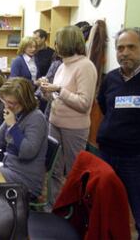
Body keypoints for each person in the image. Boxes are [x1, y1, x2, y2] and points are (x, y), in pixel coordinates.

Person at [40, 25, 97, 207]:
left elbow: (84, 103)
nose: (55, 45)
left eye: (58, 41)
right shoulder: (62, 66)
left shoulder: (85, 66)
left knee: (75, 171)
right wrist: (46, 90)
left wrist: (58, 89)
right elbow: (56, 98)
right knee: (54, 170)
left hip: (74, 128)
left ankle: (75, 211)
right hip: (55, 122)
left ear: (67, 42)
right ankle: (55, 207)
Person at [97, 27, 140, 239]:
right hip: (106, 154)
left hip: (135, 158)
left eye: (131, 47)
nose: (124, 52)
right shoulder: (111, 79)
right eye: (120, 48)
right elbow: (104, 105)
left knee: (139, 210)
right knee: (106, 206)